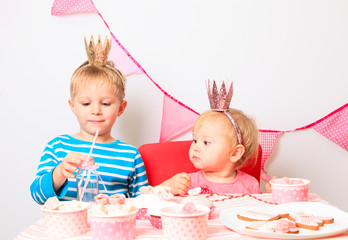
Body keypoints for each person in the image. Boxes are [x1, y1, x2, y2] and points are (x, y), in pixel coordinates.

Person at [30, 36, 148, 204]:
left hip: (111, 228)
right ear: (73, 106)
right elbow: (37, 196)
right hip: (67, 229)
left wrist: (121, 202)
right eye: (86, 103)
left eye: (106, 103)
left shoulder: (130, 156)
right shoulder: (57, 147)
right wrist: (59, 173)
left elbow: (143, 205)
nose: (95, 111)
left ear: (121, 108)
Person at [161, 80, 260, 195]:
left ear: (235, 153)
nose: (195, 148)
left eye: (206, 142)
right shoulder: (186, 183)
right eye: (195, 140)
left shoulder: (250, 185)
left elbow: (261, 211)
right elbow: (146, 201)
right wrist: (167, 187)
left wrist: (274, 196)